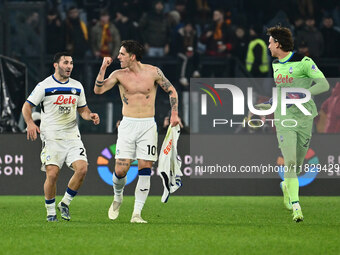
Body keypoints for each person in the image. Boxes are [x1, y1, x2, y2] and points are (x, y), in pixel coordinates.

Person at [94, 40, 179, 223]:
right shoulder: (118, 74)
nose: (118, 57)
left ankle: (136, 214)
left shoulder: (153, 72)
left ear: (132, 56)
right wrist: (103, 68)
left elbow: (171, 90)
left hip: (148, 125)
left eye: (122, 54)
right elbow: (98, 90)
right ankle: (118, 196)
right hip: (127, 124)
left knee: (145, 167)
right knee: (121, 169)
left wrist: (174, 114)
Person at [257, 26, 329, 222]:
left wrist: (303, 94)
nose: (268, 46)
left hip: (305, 118)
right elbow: (282, 91)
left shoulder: (304, 62)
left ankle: (286, 186)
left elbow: (324, 85)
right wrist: (270, 104)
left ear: (278, 43)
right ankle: (297, 207)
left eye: (270, 42)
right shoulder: (275, 65)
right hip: (284, 119)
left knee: (296, 166)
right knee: (289, 163)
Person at [22, 52, 100, 222]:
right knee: (52, 174)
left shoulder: (77, 86)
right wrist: (29, 123)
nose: (69, 66)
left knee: (83, 169)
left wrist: (90, 115)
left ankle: (64, 203)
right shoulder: (44, 86)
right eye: (65, 62)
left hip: (72, 135)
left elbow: (83, 110)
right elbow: (27, 106)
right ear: (56, 65)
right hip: (51, 136)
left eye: (71, 63)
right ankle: (50, 212)